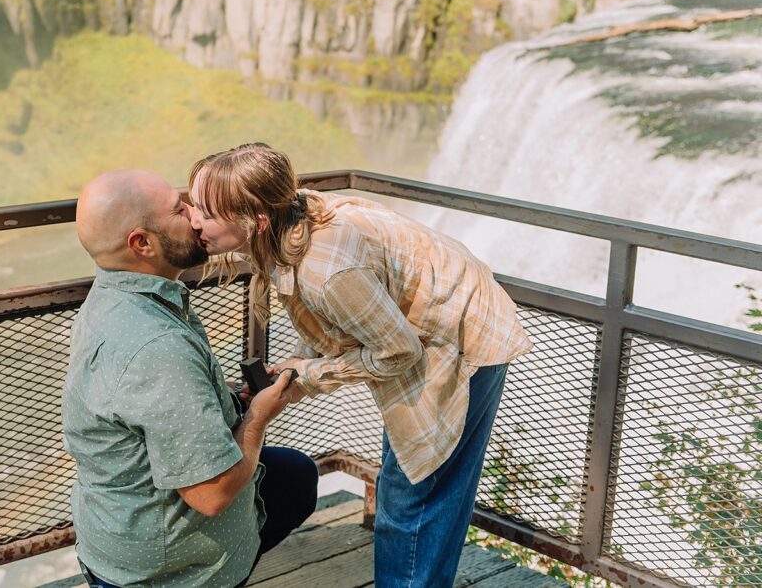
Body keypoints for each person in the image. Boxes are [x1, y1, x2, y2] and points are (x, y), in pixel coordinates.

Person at [187, 144, 532, 588]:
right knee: (414, 486)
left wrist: (309, 376)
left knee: (416, 496)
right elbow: (336, 317)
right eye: (194, 203)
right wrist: (301, 366)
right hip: (427, 327)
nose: (194, 219)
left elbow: (399, 352)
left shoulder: (326, 271)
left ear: (256, 220)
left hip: (458, 339)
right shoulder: (289, 222)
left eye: (207, 211)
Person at [62, 169, 318, 588]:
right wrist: (258, 415)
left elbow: (147, 407)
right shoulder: (157, 346)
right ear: (141, 243)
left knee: (295, 478)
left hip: (116, 533)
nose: (196, 217)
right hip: (162, 570)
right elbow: (211, 494)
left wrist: (230, 397)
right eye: (180, 210)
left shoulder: (114, 299)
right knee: (289, 482)